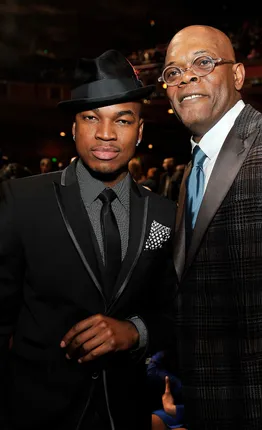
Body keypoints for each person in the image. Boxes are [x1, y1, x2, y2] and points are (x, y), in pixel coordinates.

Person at [0, 49, 177, 430]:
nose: (106, 134)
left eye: (123, 119)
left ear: (140, 131)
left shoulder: (165, 214)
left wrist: (135, 331)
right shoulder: (20, 201)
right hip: (36, 415)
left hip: (125, 414)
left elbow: (177, 311)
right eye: (91, 117)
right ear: (75, 127)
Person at [161, 24, 262, 429]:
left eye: (203, 62)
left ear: (237, 75)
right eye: (173, 72)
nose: (186, 78)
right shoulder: (190, 172)